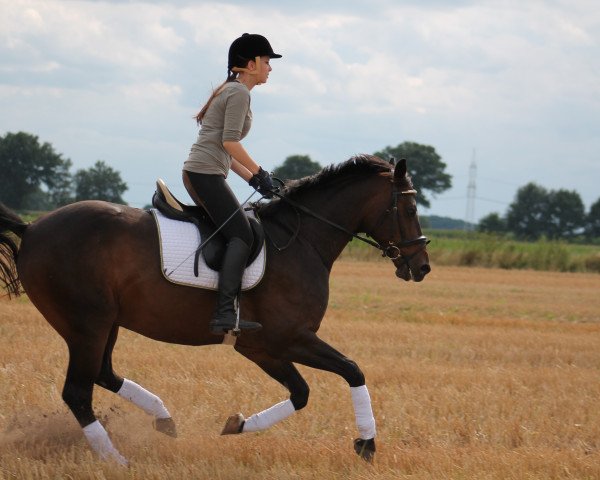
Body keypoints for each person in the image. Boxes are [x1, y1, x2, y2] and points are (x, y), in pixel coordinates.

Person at [182, 33, 281, 335]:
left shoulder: (233, 90)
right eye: (266, 61)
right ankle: (225, 315)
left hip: (206, 172)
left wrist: (254, 179)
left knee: (245, 229)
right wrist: (259, 170)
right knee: (242, 234)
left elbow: (225, 149)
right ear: (250, 64)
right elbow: (230, 141)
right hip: (204, 174)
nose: (269, 68)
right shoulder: (239, 93)